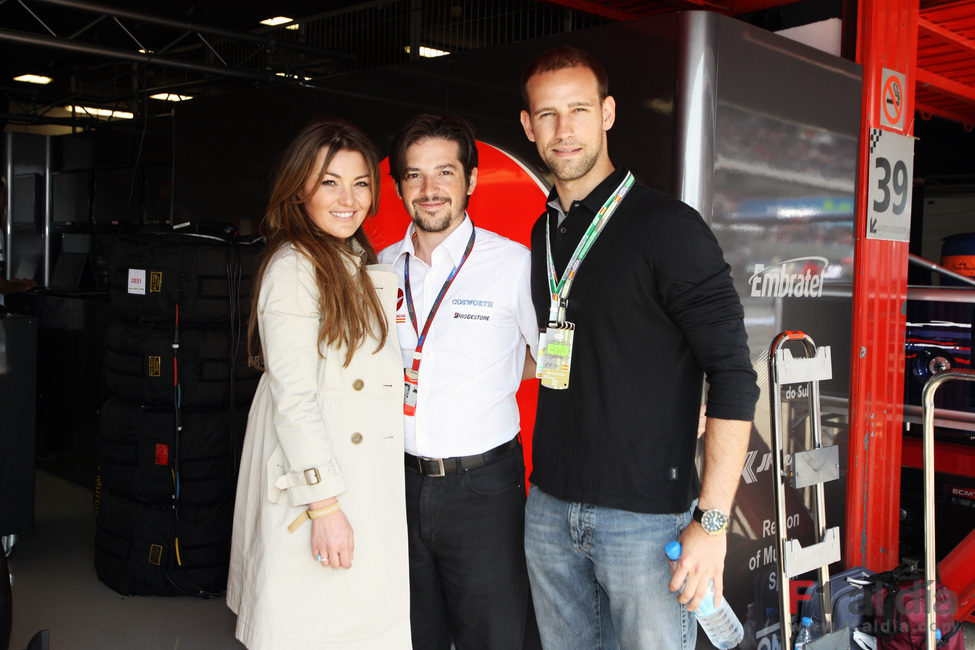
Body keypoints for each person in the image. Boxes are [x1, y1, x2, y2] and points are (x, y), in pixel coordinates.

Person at [519, 45, 760, 649]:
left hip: (647, 521)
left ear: (607, 113)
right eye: (547, 115)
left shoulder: (669, 229)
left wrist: (711, 523)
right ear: (528, 127)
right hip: (549, 506)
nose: (563, 129)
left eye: (578, 109)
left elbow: (733, 375)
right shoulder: (544, 230)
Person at [227, 118, 410, 649]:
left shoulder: (352, 258)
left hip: (355, 478)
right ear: (299, 189)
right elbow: (294, 399)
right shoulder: (295, 267)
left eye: (359, 182)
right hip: (318, 487)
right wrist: (324, 508)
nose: (348, 198)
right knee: (314, 628)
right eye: (329, 182)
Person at [379, 113, 539, 649]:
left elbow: (552, 360)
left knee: (492, 637)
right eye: (414, 175)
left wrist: (491, 376)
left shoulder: (514, 265)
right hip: (395, 484)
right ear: (399, 185)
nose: (429, 190)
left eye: (445, 173)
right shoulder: (378, 271)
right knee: (408, 633)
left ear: (470, 180)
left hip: (484, 491)